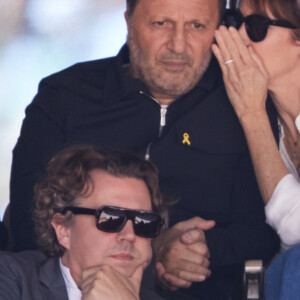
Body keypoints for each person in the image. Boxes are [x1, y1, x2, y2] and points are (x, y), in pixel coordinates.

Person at [10, 0, 280, 299]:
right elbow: (26, 224)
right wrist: (156, 250)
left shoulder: (244, 100)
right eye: (161, 23)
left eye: (197, 25)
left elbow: (269, 232)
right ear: (129, 23)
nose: (178, 46)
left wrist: (205, 246)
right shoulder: (64, 97)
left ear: (220, 29)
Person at [1, 144, 167, 299]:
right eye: (111, 219)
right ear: (63, 230)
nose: (130, 235)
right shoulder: (9, 277)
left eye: (144, 221)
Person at [212, 0, 300, 250]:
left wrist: (251, 113)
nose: (239, 36)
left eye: (257, 26)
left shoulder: (253, 112)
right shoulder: (269, 119)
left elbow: (296, 230)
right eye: (237, 21)